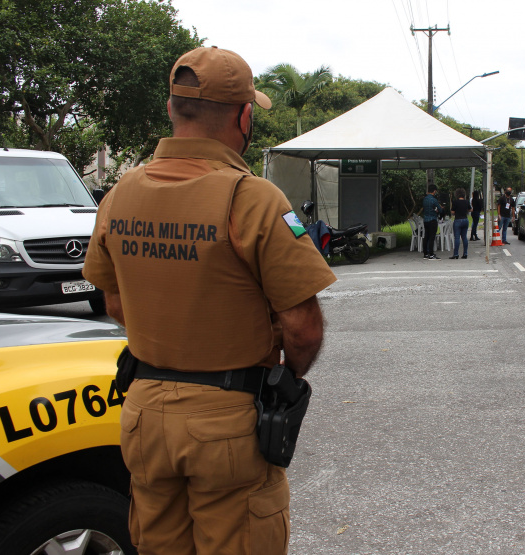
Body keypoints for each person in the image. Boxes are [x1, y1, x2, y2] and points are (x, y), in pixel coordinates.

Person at [82, 46, 336, 555]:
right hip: (227, 420)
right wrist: (285, 378)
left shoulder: (119, 194)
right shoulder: (252, 198)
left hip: (143, 414)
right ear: (243, 117)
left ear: (173, 110)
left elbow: (113, 302)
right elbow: (302, 327)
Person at [449, 187, 470, 259]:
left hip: (458, 220)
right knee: (464, 237)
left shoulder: (455, 202)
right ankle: (465, 253)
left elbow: (452, 212)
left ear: (457, 194)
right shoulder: (467, 202)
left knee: (457, 238)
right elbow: (470, 209)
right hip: (465, 220)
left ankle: (456, 254)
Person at [422, 184, 441, 259]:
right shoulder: (434, 200)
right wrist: (437, 210)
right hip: (432, 220)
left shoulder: (424, 199)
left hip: (425, 220)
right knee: (432, 237)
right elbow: (440, 209)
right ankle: (431, 254)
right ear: (434, 191)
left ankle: (425, 254)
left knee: (426, 236)